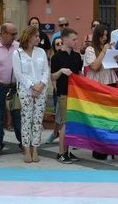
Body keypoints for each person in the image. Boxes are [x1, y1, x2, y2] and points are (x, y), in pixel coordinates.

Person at [12, 26, 49, 163]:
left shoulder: (41, 52)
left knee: (38, 120)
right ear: (28, 37)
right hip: (26, 90)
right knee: (26, 119)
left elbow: (46, 70)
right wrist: (31, 86)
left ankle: (35, 149)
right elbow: (18, 73)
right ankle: (26, 149)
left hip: (41, 89)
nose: (39, 38)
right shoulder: (18, 53)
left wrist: (40, 85)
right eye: (36, 36)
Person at [83, 24, 118, 161]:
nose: (104, 38)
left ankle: (110, 147)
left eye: (106, 36)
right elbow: (95, 67)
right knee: (98, 118)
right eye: (102, 35)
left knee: (110, 117)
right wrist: (104, 52)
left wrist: (115, 58)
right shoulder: (90, 50)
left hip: (110, 82)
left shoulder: (109, 47)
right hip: (96, 85)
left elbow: (113, 68)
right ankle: (98, 148)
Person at [0, 23, 21, 156]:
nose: (14, 37)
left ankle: (24, 143)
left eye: (15, 34)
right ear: (3, 33)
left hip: (15, 88)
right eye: (12, 34)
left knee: (18, 116)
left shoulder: (18, 47)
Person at [51, 28, 83, 164]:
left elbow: (79, 75)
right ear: (65, 40)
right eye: (74, 39)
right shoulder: (56, 57)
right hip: (63, 93)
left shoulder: (76, 57)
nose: (76, 42)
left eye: (76, 39)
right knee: (64, 123)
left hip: (75, 95)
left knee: (71, 124)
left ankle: (67, 151)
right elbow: (52, 76)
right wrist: (61, 71)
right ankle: (60, 153)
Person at [45, 37, 63, 144]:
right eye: (57, 44)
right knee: (58, 115)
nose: (60, 45)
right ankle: (55, 132)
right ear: (54, 47)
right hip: (59, 90)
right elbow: (53, 77)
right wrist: (56, 89)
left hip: (70, 90)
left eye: (61, 43)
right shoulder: (54, 58)